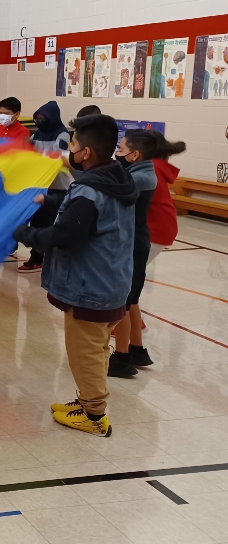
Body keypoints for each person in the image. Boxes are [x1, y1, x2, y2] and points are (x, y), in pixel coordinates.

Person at [13, 114, 137, 436]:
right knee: (95, 349)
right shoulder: (113, 178)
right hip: (111, 281)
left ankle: (94, 415)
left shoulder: (90, 190)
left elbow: (66, 235)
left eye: (74, 145)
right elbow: (82, 211)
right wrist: (52, 199)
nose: (71, 150)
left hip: (91, 288)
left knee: (86, 354)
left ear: (86, 154)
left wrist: (26, 234)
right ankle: (86, 401)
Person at [110, 131, 182, 375]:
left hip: (152, 230)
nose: (118, 152)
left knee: (124, 294)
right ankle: (136, 348)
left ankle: (122, 354)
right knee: (130, 294)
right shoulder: (153, 166)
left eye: (121, 148)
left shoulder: (145, 171)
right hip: (154, 230)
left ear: (136, 152)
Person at [19, 101, 72, 273]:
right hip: (41, 184)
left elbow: (57, 155)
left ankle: (38, 258)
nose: (40, 121)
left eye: (43, 118)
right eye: (37, 118)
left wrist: (38, 156)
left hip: (58, 185)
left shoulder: (62, 134)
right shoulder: (38, 133)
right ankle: (37, 255)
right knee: (37, 221)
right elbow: (30, 150)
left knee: (45, 223)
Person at [147, 135, 187, 264]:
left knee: (128, 272)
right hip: (160, 225)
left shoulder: (150, 168)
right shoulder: (155, 165)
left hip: (155, 228)